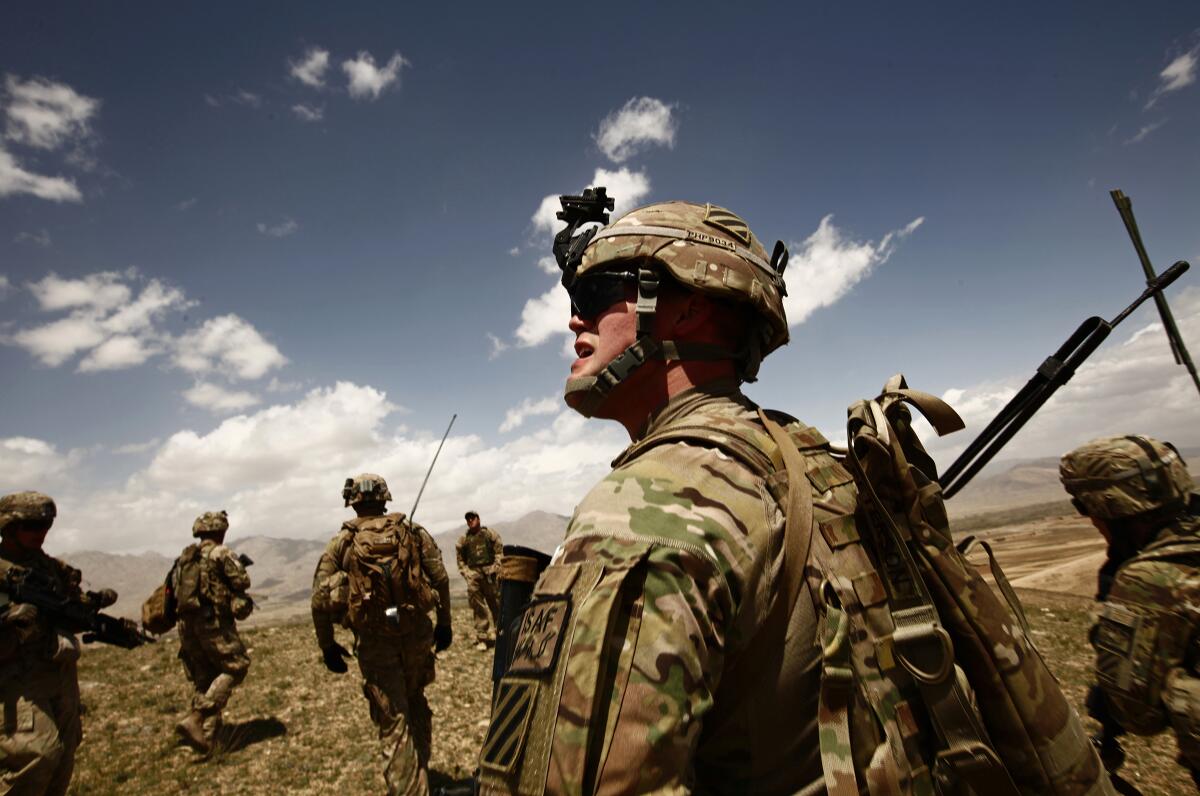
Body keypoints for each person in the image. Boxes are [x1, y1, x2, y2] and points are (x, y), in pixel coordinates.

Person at [478, 199, 824, 793]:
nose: (572, 322)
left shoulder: (649, 506)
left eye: (593, 297)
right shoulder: (806, 460)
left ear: (686, 309)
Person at [1062, 435, 1200, 787]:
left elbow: (1138, 715)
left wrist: (1107, 620)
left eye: (1085, 507)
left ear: (1109, 508)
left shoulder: (1150, 580)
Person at [311, 473, 452, 796]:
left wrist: (328, 646)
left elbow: (319, 599)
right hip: (417, 635)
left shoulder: (343, 542)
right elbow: (441, 578)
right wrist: (445, 624)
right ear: (385, 497)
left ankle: (410, 788)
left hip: (375, 645)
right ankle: (419, 776)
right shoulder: (412, 532)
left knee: (393, 720)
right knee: (416, 700)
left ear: (352, 501)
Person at [0, 491, 116, 795]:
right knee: (37, 756)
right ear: (9, 526)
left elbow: (71, 609)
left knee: (62, 760)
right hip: (16, 682)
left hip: (59, 675)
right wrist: (10, 621)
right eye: (32, 526)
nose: (42, 533)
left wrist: (91, 608)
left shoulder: (50, 568)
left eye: (46, 526)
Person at [170, 510, 254, 754]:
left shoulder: (185, 558)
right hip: (212, 623)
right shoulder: (220, 552)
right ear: (221, 530)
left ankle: (207, 739)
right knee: (237, 666)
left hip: (187, 627)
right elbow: (242, 581)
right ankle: (197, 717)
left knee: (205, 677)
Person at [455, 511, 502, 651]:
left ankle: (500, 634)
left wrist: (496, 568)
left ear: (478, 519)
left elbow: (499, 552)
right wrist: (467, 573)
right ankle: (482, 638)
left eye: (472, 518)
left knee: (496, 604)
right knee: (478, 607)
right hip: (474, 577)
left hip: (490, 575)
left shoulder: (490, 534)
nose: (470, 521)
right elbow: (460, 559)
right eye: (468, 519)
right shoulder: (464, 539)